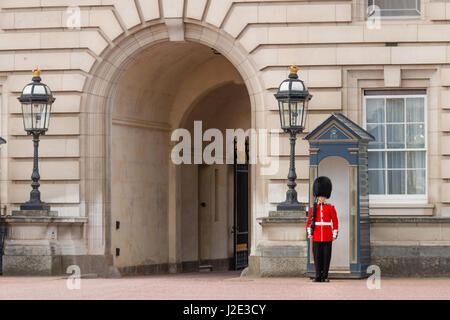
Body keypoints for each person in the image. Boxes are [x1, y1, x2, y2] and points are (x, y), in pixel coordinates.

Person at [306, 176, 338, 282]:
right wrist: (310, 232)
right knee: (317, 257)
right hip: (316, 235)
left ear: (326, 197)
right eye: (320, 196)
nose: (321, 198)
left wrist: (334, 234)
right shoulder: (313, 208)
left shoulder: (330, 208)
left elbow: (335, 221)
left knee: (326, 257)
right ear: (317, 196)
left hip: (327, 235)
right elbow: (309, 221)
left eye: (323, 197)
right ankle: (318, 276)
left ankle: (325, 276)